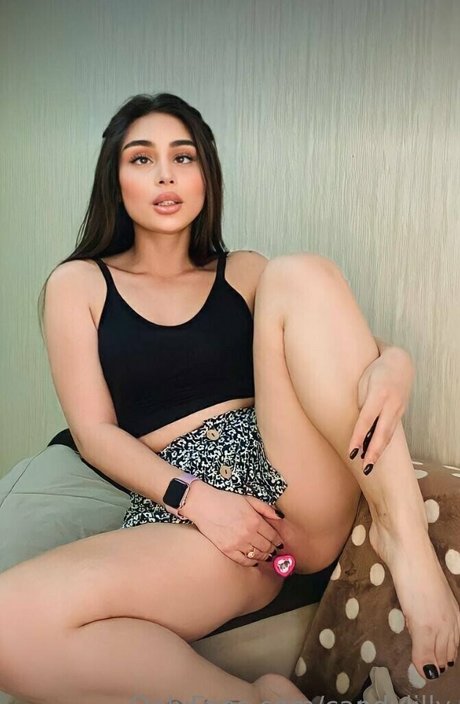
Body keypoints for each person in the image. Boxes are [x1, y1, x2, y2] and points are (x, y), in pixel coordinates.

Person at [0, 92, 457, 703]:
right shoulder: (79, 284)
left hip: (289, 475)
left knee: (300, 271)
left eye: (183, 157)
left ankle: (405, 542)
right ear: (115, 178)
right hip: (191, 509)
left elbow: (343, 343)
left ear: (206, 176)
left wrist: (396, 361)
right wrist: (201, 504)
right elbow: (95, 434)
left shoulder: (243, 273)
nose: (165, 175)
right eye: (142, 159)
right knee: (8, 621)